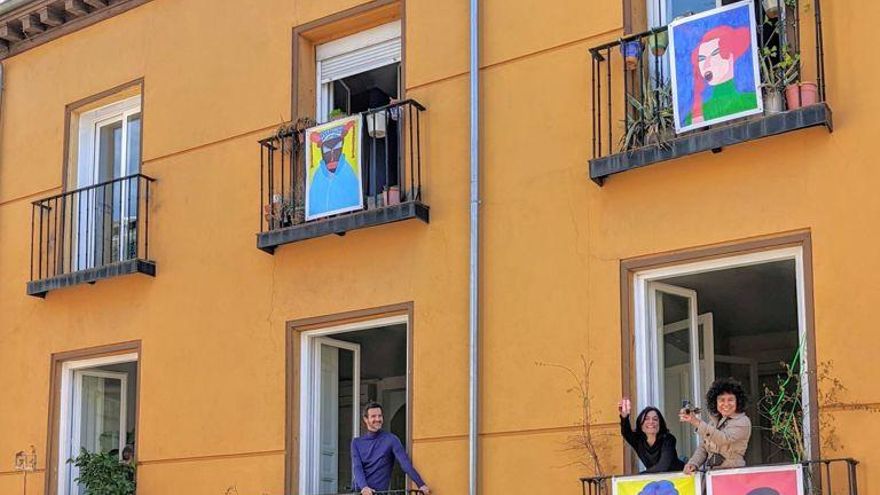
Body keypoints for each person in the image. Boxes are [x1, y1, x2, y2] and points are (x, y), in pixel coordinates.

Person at [684, 25, 758, 126]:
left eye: (714, 54)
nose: (706, 64)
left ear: (730, 55)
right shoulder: (693, 117)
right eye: (701, 59)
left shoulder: (752, 101)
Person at [352, 402, 430, 495]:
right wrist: (364, 487)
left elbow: (405, 464)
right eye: (373, 416)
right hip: (359, 491)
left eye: (380, 416)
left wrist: (421, 484)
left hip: (379, 493)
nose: (377, 419)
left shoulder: (391, 439)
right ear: (365, 419)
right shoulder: (356, 442)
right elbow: (357, 467)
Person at [679, 377, 752, 473]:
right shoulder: (714, 421)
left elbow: (723, 439)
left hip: (733, 475)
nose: (726, 404)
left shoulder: (743, 421)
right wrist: (693, 463)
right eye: (721, 400)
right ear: (715, 402)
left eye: (730, 400)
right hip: (711, 476)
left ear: (738, 402)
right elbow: (703, 447)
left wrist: (696, 422)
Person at [618, 398, 685, 473]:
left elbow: (663, 466)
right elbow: (626, 432)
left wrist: (640, 476)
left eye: (655, 419)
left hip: (680, 479)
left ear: (660, 424)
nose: (651, 422)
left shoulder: (668, 439)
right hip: (656, 480)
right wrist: (624, 417)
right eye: (646, 419)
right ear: (641, 424)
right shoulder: (638, 440)